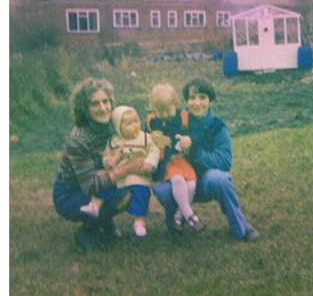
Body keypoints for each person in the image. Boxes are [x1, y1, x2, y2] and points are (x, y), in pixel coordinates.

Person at [152, 77, 260, 241]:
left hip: (203, 183)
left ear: (210, 100)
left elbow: (224, 161)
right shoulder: (177, 119)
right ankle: (174, 225)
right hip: (179, 181)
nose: (197, 103)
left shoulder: (217, 126)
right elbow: (156, 117)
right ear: (186, 101)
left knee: (220, 179)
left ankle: (241, 227)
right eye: (192, 98)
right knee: (163, 190)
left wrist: (194, 152)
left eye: (202, 97)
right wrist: (152, 136)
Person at [52, 78, 147, 252]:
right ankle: (86, 232)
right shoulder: (79, 140)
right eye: (95, 104)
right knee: (124, 195)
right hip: (70, 193)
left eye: (105, 101)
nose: (103, 108)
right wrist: (127, 168)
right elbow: (90, 186)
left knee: (135, 188)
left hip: (97, 181)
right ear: (85, 109)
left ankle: (105, 221)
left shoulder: (113, 126)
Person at [80, 105, 160, 237]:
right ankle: (95, 205)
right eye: (129, 123)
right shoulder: (113, 141)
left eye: (136, 121)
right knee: (105, 183)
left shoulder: (144, 137)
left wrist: (150, 163)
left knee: (140, 192)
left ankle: (139, 221)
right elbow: (107, 155)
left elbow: (154, 150)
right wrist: (108, 161)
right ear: (118, 126)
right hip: (119, 175)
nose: (134, 125)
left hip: (137, 173)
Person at [146, 82, 204, 232]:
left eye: (168, 111)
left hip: (181, 159)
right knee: (177, 178)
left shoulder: (183, 117)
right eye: (160, 111)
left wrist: (188, 139)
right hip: (166, 162)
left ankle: (178, 217)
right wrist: (151, 136)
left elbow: (195, 134)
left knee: (191, 184)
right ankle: (190, 215)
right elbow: (142, 136)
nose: (165, 116)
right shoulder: (152, 121)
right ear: (154, 109)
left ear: (175, 104)